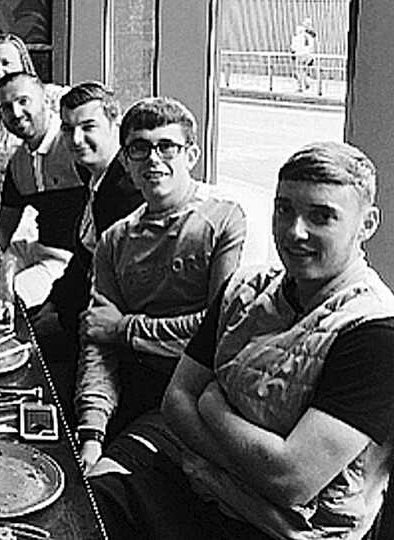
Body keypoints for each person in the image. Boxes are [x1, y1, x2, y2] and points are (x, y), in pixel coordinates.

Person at [91, 141, 394, 540]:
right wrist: (251, 462)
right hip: (201, 487)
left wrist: (211, 405)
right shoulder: (245, 287)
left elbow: (290, 480)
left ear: (367, 224)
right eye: (284, 209)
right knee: (77, 510)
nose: (295, 231)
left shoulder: (374, 333)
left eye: (321, 216)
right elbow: (175, 401)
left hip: (279, 529)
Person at [73, 97, 246, 471]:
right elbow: (98, 342)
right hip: (131, 388)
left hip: (199, 399)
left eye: (167, 146)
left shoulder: (224, 220)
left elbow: (217, 333)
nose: (153, 159)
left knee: (111, 483)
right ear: (125, 161)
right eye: (140, 148)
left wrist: (124, 329)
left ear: (191, 155)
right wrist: (91, 432)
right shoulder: (114, 240)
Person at [32, 82, 143, 339]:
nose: (76, 139)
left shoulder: (127, 190)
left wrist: (62, 320)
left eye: (88, 127)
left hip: (108, 326)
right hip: (78, 307)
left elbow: (113, 285)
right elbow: (83, 258)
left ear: (116, 125)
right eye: (68, 129)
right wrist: (53, 302)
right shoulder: (91, 175)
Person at [0, 72, 86, 308]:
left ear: (45, 100)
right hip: (36, 248)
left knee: (12, 293)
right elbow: (4, 226)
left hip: (69, 260)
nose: (15, 113)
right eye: (6, 107)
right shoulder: (18, 161)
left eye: (23, 101)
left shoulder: (74, 146)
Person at [0, 32, 69, 218]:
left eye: (6, 63)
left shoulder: (52, 96)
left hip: (46, 199)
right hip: (2, 208)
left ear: (23, 63)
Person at [290, 20, 316, 92]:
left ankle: (301, 86)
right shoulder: (309, 37)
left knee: (298, 71)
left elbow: (293, 47)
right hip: (308, 55)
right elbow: (311, 47)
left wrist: (293, 54)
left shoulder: (297, 37)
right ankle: (305, 83)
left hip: (300, 55)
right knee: (304, 70)